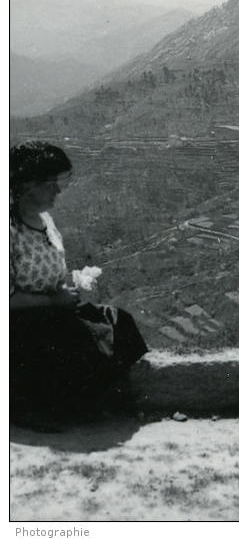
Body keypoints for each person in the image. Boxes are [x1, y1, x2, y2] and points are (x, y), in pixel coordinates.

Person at [10, 140, 148, 430]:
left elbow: (48, 269)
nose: (58, 190)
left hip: (54, 309)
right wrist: (52, 302)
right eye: (51, 183)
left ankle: (81, 401)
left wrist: (73, 283)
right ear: (26, 185)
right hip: (21, 324)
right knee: (77, 342)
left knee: (118, 322)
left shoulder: (44, 220)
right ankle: (30, 407)